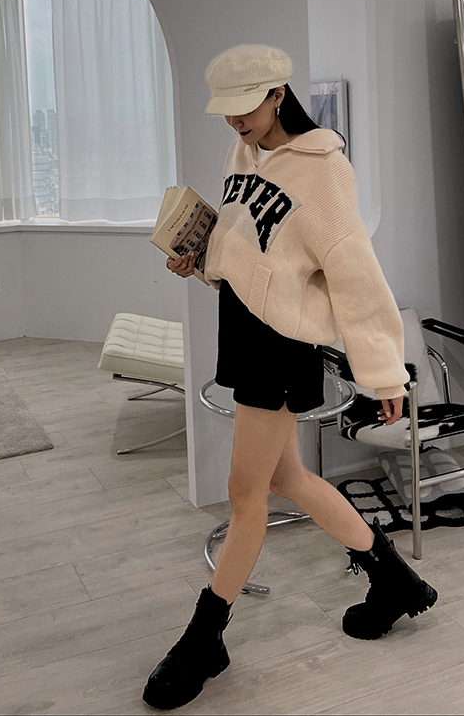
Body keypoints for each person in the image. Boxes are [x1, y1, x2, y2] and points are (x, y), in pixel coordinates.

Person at [142, 43, 438, 712]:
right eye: (226, 111)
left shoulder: (325, 170)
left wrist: (385, 372)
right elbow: (250, 247)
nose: (234, 121)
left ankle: (204, 640)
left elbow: (356, 273)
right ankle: (395, 579)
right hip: (242, 326)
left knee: (244, 493)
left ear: (278, 93)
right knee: (288, 479)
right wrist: (201, 258)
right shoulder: (241, 154)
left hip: (280, 342)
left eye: (244, 108)